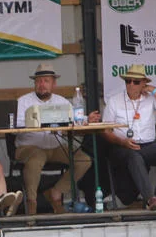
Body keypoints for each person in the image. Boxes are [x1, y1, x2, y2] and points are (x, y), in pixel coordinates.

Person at [15, 64, 100, 215]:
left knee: (83, 160)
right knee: (36, 158)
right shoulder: (24, 101)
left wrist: (88, 119)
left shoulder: (62, 101)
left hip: (56, 146)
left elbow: (73, 119)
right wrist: (43, 121)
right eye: (39, 81)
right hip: (29, 147)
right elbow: (18, 124)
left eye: (46, 81)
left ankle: (55, 192)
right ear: (35, 83)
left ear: (54, 84)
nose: (42, 85)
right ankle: (32, 203)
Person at [101, 65, 156, 210]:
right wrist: (122, 141)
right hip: (122, 146)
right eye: (128, 81)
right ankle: (150, 199)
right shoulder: (114, 101)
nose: (131, 85)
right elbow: (105, 130)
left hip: (148, 145)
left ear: (143, 83)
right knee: (134, 157)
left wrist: (152, 89)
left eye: (136, 82)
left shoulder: (150, 99)